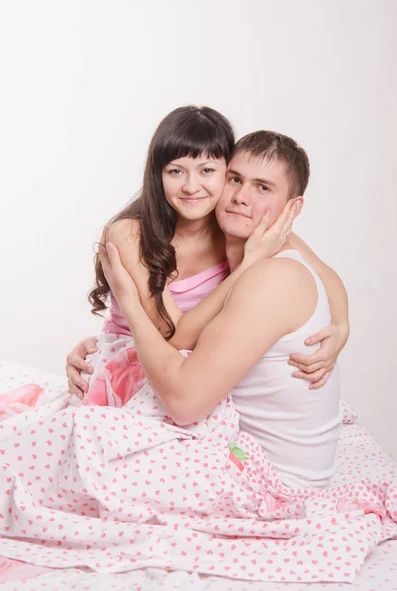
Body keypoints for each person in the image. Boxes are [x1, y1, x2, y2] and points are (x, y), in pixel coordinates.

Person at [98, 130, 342, 488]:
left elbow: (184, 401)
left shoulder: (273, 275)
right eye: (235, 179)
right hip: (237, 446)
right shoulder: (247, 247)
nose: (242, 197)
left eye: (263, 188)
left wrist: (344, 326)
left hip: (270, 479)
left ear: (293, 208)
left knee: (86, 456)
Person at [66, 106, 349, 408]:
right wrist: (249, 265)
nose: (191, 186)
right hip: (133, 375)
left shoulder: (237, 225)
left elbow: (324, 275)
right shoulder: (131, 233)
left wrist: (342, 329)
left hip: (192, 379)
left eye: (208, 171)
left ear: (226, 171)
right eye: (176, 171)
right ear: (157, 175)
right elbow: (174, 335)